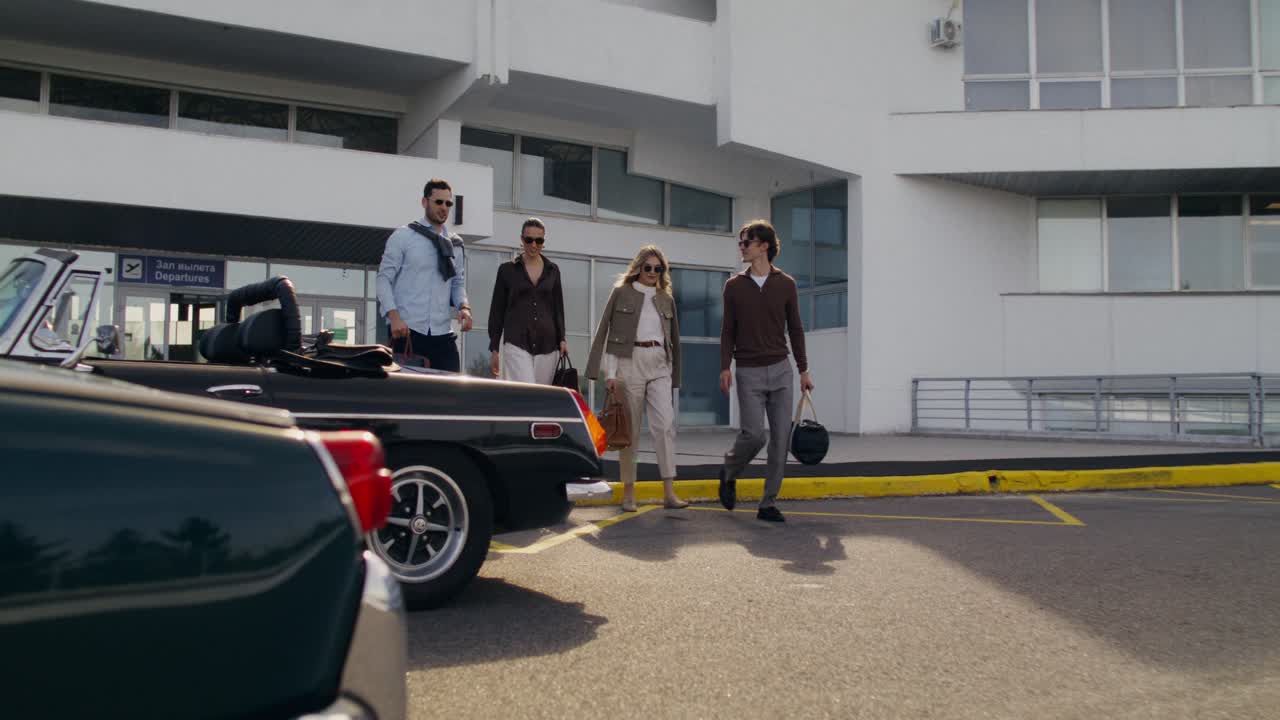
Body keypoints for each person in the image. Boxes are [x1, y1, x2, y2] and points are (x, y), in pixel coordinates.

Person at [717, 219, 814, 523]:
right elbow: (727, 330)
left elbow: (795, 329)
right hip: (748, 371)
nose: (741, 247)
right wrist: (724, 366)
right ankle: (729, 471)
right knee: (754, 435)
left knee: (781, 438)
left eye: (746, 242)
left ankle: (767, 503)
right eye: (741, 242)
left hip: (781, 370)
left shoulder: (786, 284)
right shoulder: (734, 286)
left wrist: (803, 369)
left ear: (764, 246)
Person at [586, 245, 687, 513]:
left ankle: (669, 491)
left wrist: (674, 371)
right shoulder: (621, 293)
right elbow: (607, 331)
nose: (653, 272)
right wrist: (610, 372)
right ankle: (628, 493)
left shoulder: (666, 299)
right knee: (629, 433)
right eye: (648, 267)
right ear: (638, 268)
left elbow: (674, 339)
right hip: (630, 363)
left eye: (658, 268)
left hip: (659, 363)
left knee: (665, 425)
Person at [376, 178, 472, 372]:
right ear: (424, 202)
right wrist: (393, 316)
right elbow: (383, 279)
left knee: (451, 394)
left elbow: (457, 283)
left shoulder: (454, 244)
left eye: (448, 203)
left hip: (442, 333)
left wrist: (464, 307)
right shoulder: (403, 236)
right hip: (407, 331)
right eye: (438, 202)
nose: (444, 207)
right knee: (408, 397)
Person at [487, 218, 568, 383]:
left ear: (543, 241)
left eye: (539, 240)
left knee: (541, 398)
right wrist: (494, 347)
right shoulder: (507, 270)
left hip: (548, 344)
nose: (533, 245)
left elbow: (558, 308)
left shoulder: (553, 270)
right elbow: (497, 311)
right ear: (522, 239)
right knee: (527, 389)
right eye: (529, 239)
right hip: (516, 342)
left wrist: (562, 339)